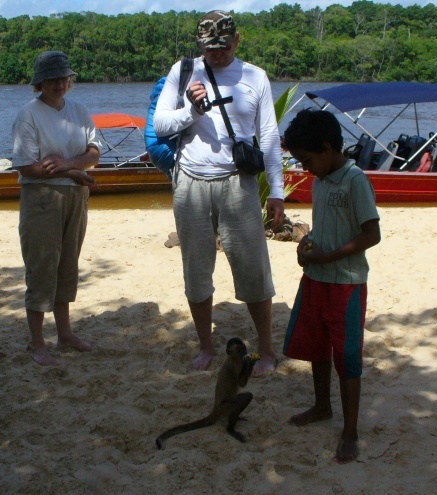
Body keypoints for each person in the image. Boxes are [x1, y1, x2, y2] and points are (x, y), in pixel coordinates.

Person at [152, 10, 285, 376]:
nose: (217, 54)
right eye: (210, 48)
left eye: (224, 46)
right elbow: (161, 124)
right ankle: (206, 347)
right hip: (190, 183)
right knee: (196, 269)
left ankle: (268, 351)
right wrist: (191, 110)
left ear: (237, 40)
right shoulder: (182, 71)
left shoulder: (255, 76)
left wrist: (277, 190)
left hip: (237, 184)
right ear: (200, 45)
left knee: (253, 269)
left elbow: (269, 136)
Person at [281, 109, 381, 464]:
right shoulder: (321, 181)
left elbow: (372, 234)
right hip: (316, 280)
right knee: (318, 347)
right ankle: (322, 406)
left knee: (348, 356)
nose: (307, 169)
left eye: (308, 160)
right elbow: (322, 230)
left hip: (347, 284)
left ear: (326, 148)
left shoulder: (355, 181)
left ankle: (350, 430)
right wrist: (306, 249)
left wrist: (329, 256)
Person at [12, 51, 101, 366]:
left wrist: (68, 166)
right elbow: (27, 166)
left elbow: (94, 153)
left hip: (76, 196)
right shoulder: (29, 114)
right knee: (41, 268)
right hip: (41, 198)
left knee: (67, 266)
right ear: (40, 82)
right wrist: (72, 172)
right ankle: (37, 343)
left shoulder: (78, 110)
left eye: (64, 77)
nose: (60, 83)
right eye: (52, 78)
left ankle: (65, 334)